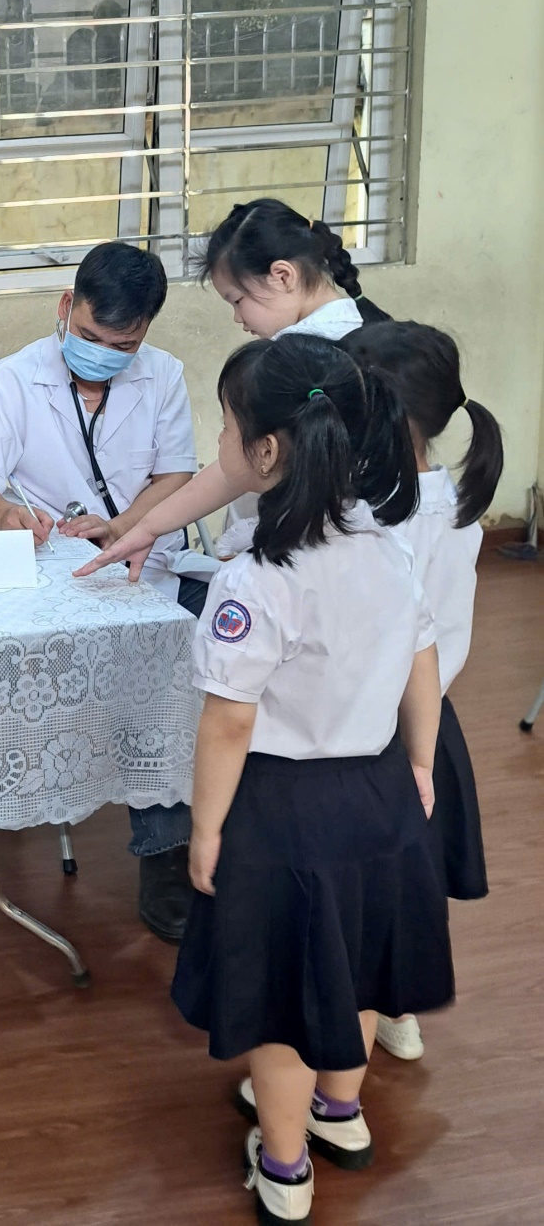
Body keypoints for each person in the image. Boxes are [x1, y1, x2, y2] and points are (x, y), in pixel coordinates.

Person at [172, 334, 453, 1225]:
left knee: (283, 1000)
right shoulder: (386, 547)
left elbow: (228, 720)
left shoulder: (255, 577)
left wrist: (206, 827)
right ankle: (341, 1112)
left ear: (265, 451)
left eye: (224, 426)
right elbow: (422, 664)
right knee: (358, 966)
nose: (220, 443)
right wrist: (416, 761)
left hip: (281, 813)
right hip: (377, 794)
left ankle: (285, 1165)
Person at [0, 240, 201, 942]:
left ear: (145, 331)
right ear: (66, 307)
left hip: (142, 568)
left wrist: (121, 526)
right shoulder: (11, 379)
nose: (102, 351)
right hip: (51, 574)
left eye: (121, 343)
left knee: (161, 683)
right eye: (89, 336)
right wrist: (6, 514)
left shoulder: (163, 378)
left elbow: (176, 476)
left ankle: (165, 857)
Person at [73, 200, 390, 585]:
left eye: (237, 301)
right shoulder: (371, 328)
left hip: (296, 564)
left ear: (283, 276)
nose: (238, 318)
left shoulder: (301, 360)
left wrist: (147, 528)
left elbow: (231, 470)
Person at [343, 321, 502, 1061]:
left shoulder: (384, 516)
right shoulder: (454, 498)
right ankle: (397, 1010)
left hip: (378, 725)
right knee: (408, 877)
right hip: (430, 719)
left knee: (364, 889)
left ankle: (337, 1057)